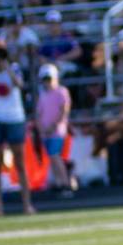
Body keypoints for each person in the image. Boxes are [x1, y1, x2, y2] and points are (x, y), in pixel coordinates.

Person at [0, 41, 35, 217]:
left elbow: (19, 84)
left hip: (14, 118)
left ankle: (27, 204)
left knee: (20, 163)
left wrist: (6, 67)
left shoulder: (14, 68)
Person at [35, 63, 78, 194]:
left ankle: (65, 183)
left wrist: (53, 127)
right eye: (45, 79)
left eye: (49, 79)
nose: (47, 82)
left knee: (55, 156)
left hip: (57, 131)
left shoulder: (61, 92)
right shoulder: (42, 94)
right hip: (45, 133)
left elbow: (64, 111)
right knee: (52, 157)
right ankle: (59, 183)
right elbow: (38, 114)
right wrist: (42, 129)